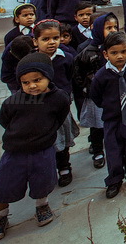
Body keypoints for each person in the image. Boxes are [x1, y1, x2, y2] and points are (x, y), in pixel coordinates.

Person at [0, 53, 70, 242]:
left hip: (43, 149)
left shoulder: (58, 98)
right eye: (25, 82)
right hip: (15, 151)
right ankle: (0, 217)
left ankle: (42, 206)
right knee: (4, 185)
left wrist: (46, 133)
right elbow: (4, 119)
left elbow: (61, 115)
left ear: (49, 76)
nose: (31, 86)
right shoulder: (14, 101)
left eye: (37, 80)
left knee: (43, 181)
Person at [89, 31, 126, 198]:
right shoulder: (101, 75)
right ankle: (114, 179)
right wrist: (109, 106)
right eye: (114, 53)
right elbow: (96, 95)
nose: (120, 56)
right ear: (105, 54)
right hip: (112, 118)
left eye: (124, 51)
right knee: (113, 149)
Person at [32, 19, 77, 186]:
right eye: (45, 39)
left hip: (61, 106)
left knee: (62, 136)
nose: (51, 42)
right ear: (35, 41)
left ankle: (64, 167)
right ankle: (46, 167)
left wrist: (68, 95)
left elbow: (71, 78)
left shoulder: (66, 57)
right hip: (40, 107)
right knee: (45, 138)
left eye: (55, 38)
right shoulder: (32, 60)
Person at [72, 12, 119, 169]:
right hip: (96, 96)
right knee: (97, 125)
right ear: (98, 29)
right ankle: (97, 150)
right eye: (108, 28)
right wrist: (87, 89)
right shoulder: (87, 50)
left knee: (114, 123)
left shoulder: (119, 48)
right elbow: (79, 74)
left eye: (115, 27)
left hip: (115, 94)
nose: (113, 31)